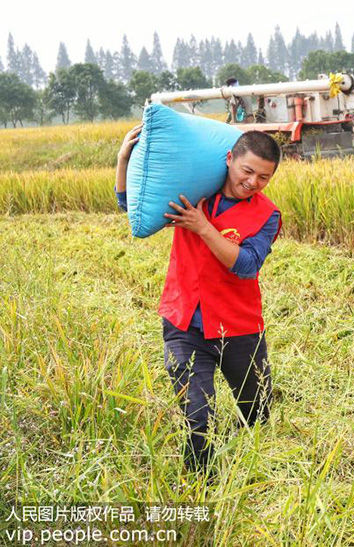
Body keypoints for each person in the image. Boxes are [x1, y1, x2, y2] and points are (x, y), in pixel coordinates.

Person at [115, 126, 283, 472]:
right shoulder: (195, 195)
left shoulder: (268, 215)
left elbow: (247, 265)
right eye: (246, 171)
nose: (252, 182)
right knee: (198, 416)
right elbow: (131, 206)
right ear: (229, 160)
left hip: (239, 327)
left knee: (257, 412)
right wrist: (123, 160)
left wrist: (203, 227)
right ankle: (202, 487)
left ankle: (244, 467)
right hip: (184, 322)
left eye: (263, 177)